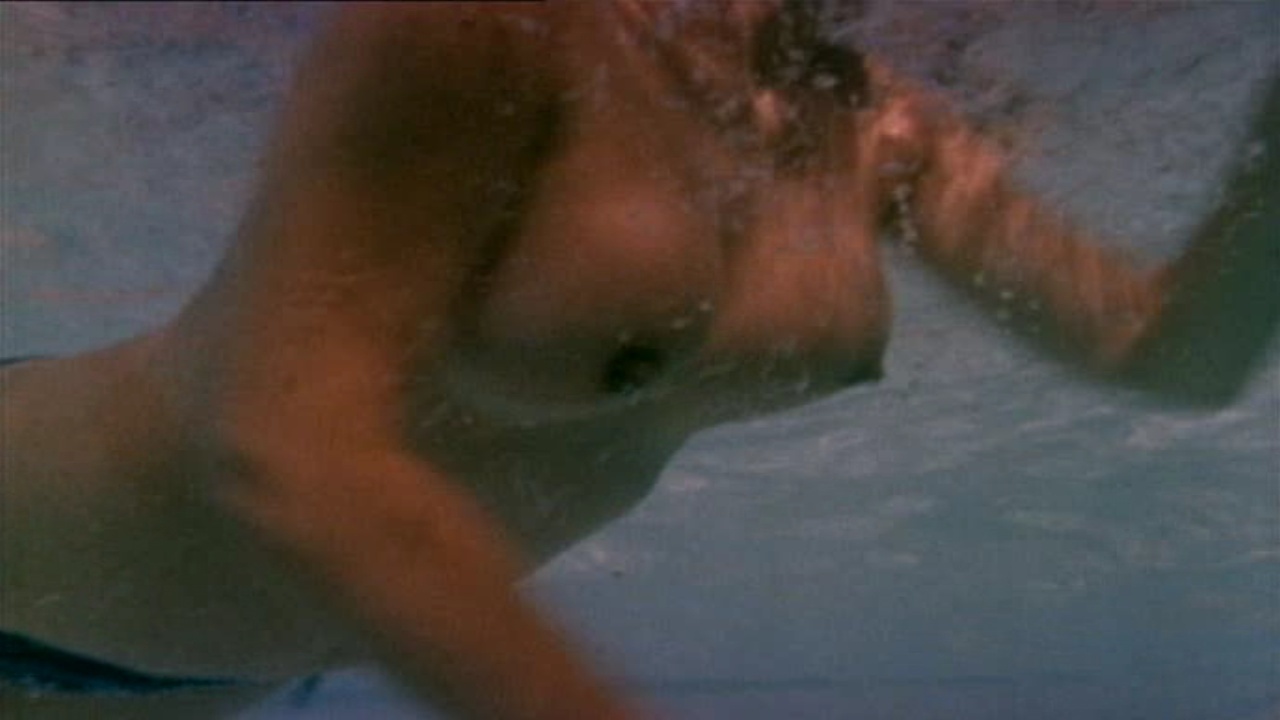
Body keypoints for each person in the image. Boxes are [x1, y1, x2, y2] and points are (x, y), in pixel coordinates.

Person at [1, 2, 1275, 719]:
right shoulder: (482, 32)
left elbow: (1163, 353)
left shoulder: (868, 122)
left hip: (212, 672)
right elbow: (290, 453)